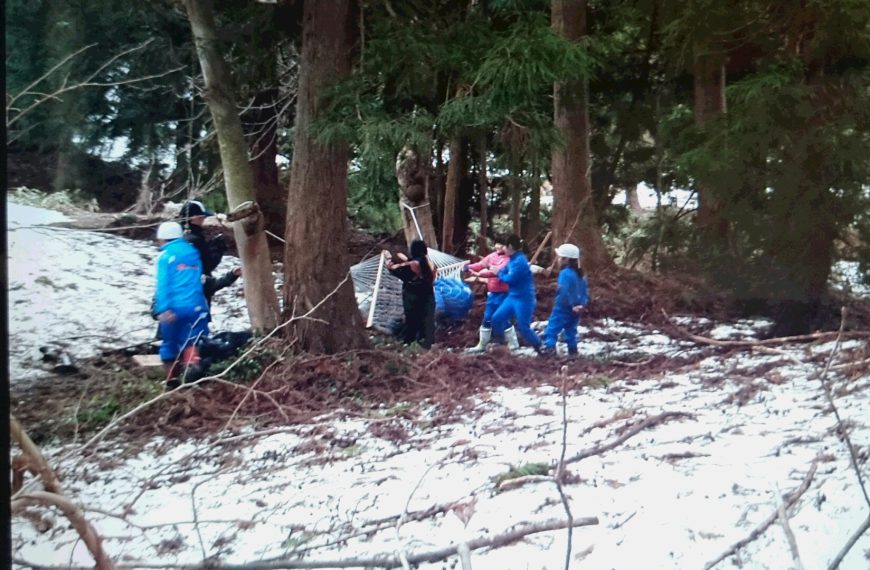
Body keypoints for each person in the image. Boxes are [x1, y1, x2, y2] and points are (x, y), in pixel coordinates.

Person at [154, 221, 210, 389]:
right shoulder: (194, 253)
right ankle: (192, 380)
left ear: (163, 239)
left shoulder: (165, 256)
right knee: (191, 343)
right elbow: (198, 280)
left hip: (174, 308)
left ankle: (171, 382)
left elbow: (162, 285)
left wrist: (163, 309)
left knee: (169, 344)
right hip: (196, 306)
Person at [178, 200, 240, 317]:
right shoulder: (196, 239)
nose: (203, 220)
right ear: (194, 218)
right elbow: (207, 265)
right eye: (202, 217)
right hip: (198, 293)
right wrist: (218, 248)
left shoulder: (179, 237)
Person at [490, 234, 542, 352]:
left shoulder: (520, 261)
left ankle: (540, 346)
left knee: (523, 327)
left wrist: (498, 273)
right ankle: (499, 344)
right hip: (513, 297)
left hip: (524, 298)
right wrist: (496, 270)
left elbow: (511, 280)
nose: (503, 249)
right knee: (497, 318)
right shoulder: (512, 259)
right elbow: (505, 270)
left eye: (505, 246)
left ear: (511, 247)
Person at [540, 243, 589, 357]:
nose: (558, 259)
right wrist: (582, 305)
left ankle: (549, 352)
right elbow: (585, 292)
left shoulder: (565, 273)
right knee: (571, 331)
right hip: (577, 309)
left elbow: (564, 292)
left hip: (563, 308)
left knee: (551, 330)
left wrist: (571, 305)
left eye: (560, 257)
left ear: (566, 259)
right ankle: (573, 353)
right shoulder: (581, 274)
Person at [386, 239, 437, 348]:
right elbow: (432, 277)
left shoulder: (411, 265)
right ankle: (428, 342)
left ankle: (409, 342)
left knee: (412, 319)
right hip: (427, 294)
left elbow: (396, 271)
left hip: (412, 295)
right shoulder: (428, 263)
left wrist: (388, 264)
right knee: (427, 319)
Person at [463, 237, 510, 352]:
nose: (498, 247)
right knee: (488, 316)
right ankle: (482, 344)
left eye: (502, 245)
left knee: (501, 317)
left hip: (504, 293)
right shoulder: (492, 256)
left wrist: (479, 275)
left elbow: (494, 272)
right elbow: (480, 264)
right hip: (492, 293)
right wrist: (468, 267)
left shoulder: (508, 259)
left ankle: (512, 342)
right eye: (497, 244)